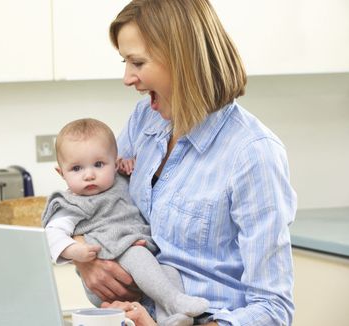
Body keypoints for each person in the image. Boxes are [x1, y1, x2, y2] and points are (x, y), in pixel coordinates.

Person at [75, 1, 297, 326]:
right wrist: (85, 260)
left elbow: (273, 309)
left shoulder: (252, 153)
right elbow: (92, 200)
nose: (127, 78)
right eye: (125, 62)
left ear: (183, 59)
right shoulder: (144, 121)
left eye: (137, 62)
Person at [42, 118, 209, 326]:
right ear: (61, 173)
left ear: (114, 162)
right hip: (107, 277)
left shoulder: (120, 181)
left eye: (99, 164)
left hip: (142, 265)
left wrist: (129, 166)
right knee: (136, 253)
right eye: (76, 168)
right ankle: (175, 301)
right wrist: (75, 251)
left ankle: (171, 319)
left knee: (169, 271)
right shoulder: (70, 204)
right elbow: (51, 235)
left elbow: (137, 175)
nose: (89, 175)